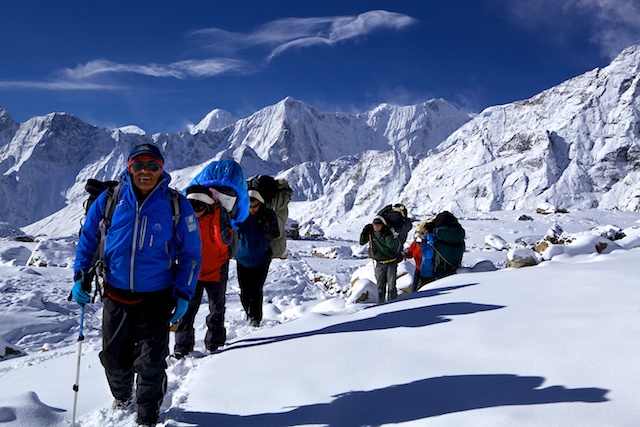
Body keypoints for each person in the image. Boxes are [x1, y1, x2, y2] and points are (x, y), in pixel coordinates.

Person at [72, 143, 201, 427]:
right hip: (115, 296)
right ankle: (122, 396)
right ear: (128, 168)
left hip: (156, 298)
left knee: (151, 364)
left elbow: (191, 254)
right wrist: (80, 275)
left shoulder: (177, 205)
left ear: (162, 168)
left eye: (152, 165)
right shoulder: (109, 200)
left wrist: (183, 295)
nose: (145, 171)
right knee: (114, 361)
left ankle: (148, 417)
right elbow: (88, 240)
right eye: (139, 165)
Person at [173, 185, 233, 358]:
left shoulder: (219, 216)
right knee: (186, 310)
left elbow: (224, 242)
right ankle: (182, 346)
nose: (195, 211)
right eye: (191, 206)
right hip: (192, 272)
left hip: (216, 269)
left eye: (199, 207)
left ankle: (215, 343)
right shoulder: (184, 219)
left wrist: (220, 219)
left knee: (216, 309)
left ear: (207, 206)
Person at [235, 189, 280, 326]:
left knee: (255, 289)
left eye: (255, 206)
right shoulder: (240, 215)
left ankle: (255, 319)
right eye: (249, 206)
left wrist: (266, 225)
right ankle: (249, 314)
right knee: (245, 290)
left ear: (260, 204)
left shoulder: (267, 215)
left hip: (261, 259)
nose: (252, 209)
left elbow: (275, 234)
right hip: (243, 258)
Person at [359, 215, 402, 302]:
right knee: (380, 288)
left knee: (391, 287)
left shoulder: (387, 233)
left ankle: (393, 305)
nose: (376, 227)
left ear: (383, 225)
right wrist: (364, 232)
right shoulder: (371, 233)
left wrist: (388, 235)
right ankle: (381, 305)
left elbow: (391, 246)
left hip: (391, 262)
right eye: (375, 225)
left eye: (378, 225)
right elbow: (362, 242)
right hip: (380, 263)